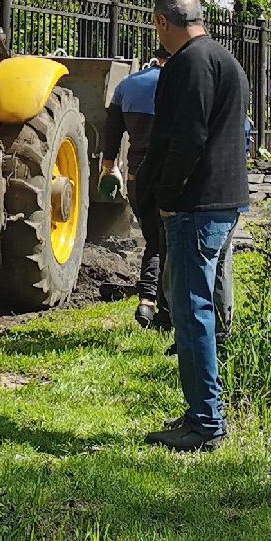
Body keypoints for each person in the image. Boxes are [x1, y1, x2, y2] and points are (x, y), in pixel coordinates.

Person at [137, 0, 248, 453]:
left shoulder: (190, 64)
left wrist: (166, 196)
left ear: (162, 22)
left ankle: (205, 423)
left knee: (191, 312)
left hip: (195, 205)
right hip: (222, 200)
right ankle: (203, 412)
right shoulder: (223, 58)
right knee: (199, 306)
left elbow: (188, 138)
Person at [100, 48, 171, 330]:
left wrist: (109, 166)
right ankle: (163, 308)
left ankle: (147, 301)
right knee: (168, 242)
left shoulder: (128, 85)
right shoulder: (181, 83)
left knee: (153, 239)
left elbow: (111, 131)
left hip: (137, 176)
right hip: (168, 173)